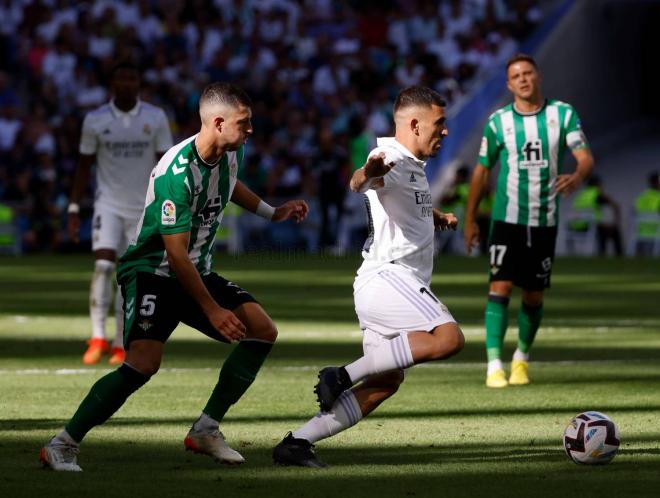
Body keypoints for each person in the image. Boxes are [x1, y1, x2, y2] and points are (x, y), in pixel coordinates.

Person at [40, 82, 309, 471]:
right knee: (143, 365)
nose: (251, 129)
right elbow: (175, 253)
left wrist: (272, 211)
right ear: (218, 122)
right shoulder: (175, 173)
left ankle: (206, 429)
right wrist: (213, 310)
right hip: (153, 272)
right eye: (244, 122)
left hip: (194, 270)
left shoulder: (231, 151)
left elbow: (229, 186)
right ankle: (61, 444)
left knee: (262, 329)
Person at [272, 86, 464, 468]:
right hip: (389, 278)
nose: (445, 131)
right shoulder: (388, 156)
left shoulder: (412, 164)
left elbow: (400, 205)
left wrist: (436, 216)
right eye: (439, 124)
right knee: (448, 338)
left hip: (387, 283)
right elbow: (360, 180)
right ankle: (341, 374)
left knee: (385, 383)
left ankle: (296, 443)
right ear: (414, 123)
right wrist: (367, 174)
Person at [464, 53, 594, 388]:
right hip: (506, 219)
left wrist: (578, 175)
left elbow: (584, 157)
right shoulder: (498, 123)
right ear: (509, 85)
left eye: (528, 73)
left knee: (534, 295)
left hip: (545, 219)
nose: (523, 79)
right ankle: (494, 364)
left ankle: (521, 359)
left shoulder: (562, 114)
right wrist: (470, 219)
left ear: (538, 76)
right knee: (500, 286)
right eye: (516, 75)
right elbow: (481, 171)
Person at [68, 62, 173, 366]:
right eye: (121, 79)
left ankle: (118, 342)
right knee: (103, 265)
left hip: (143, 208)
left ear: (139, 83)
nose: (127, 84)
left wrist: (168, 205)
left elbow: (165, 163)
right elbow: (83, 166)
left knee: (129, 276)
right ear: (112, 84)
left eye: (132, 78)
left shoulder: (155, 117)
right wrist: (74, 209)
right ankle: (97, 336)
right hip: (108, 204)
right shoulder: (96, 119)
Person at [567, 175, 622, 256]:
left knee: (603, 228)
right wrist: (616, 221)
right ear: (598, 184)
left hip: (574, 226)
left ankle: (602, 254)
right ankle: (611, 255)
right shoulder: (597, 193)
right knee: (613, 231)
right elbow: (615, 205)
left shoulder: (581, 195)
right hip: (589, 226)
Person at [633, 171, 660, 256]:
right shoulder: (658, 196)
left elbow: (635, 211)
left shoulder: (642, 196)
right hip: (656, 229)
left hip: (640, 230)